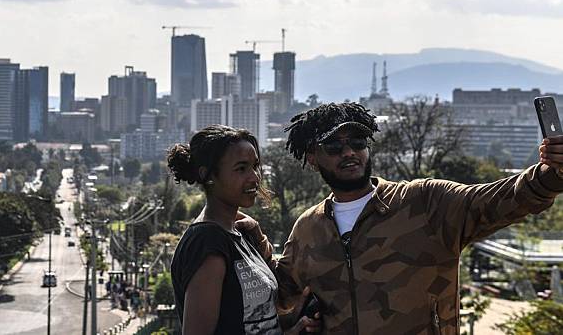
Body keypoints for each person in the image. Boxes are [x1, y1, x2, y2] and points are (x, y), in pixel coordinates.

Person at [247, 102, 563, 334]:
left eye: (357, 142)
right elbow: (278, 297)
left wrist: (552, 174)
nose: (349, 153)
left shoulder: (425, 203)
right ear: (313, 158)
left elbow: (500, 200)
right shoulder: (309, 229)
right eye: (334, 146)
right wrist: (248, 236)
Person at [168, 125, 320, 335]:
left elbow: (252, 323)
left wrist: (296, 321)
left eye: (255, 166)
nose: (254, 177)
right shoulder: (207, 242)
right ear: (209, 175)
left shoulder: (242, 234)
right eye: (241, 168)